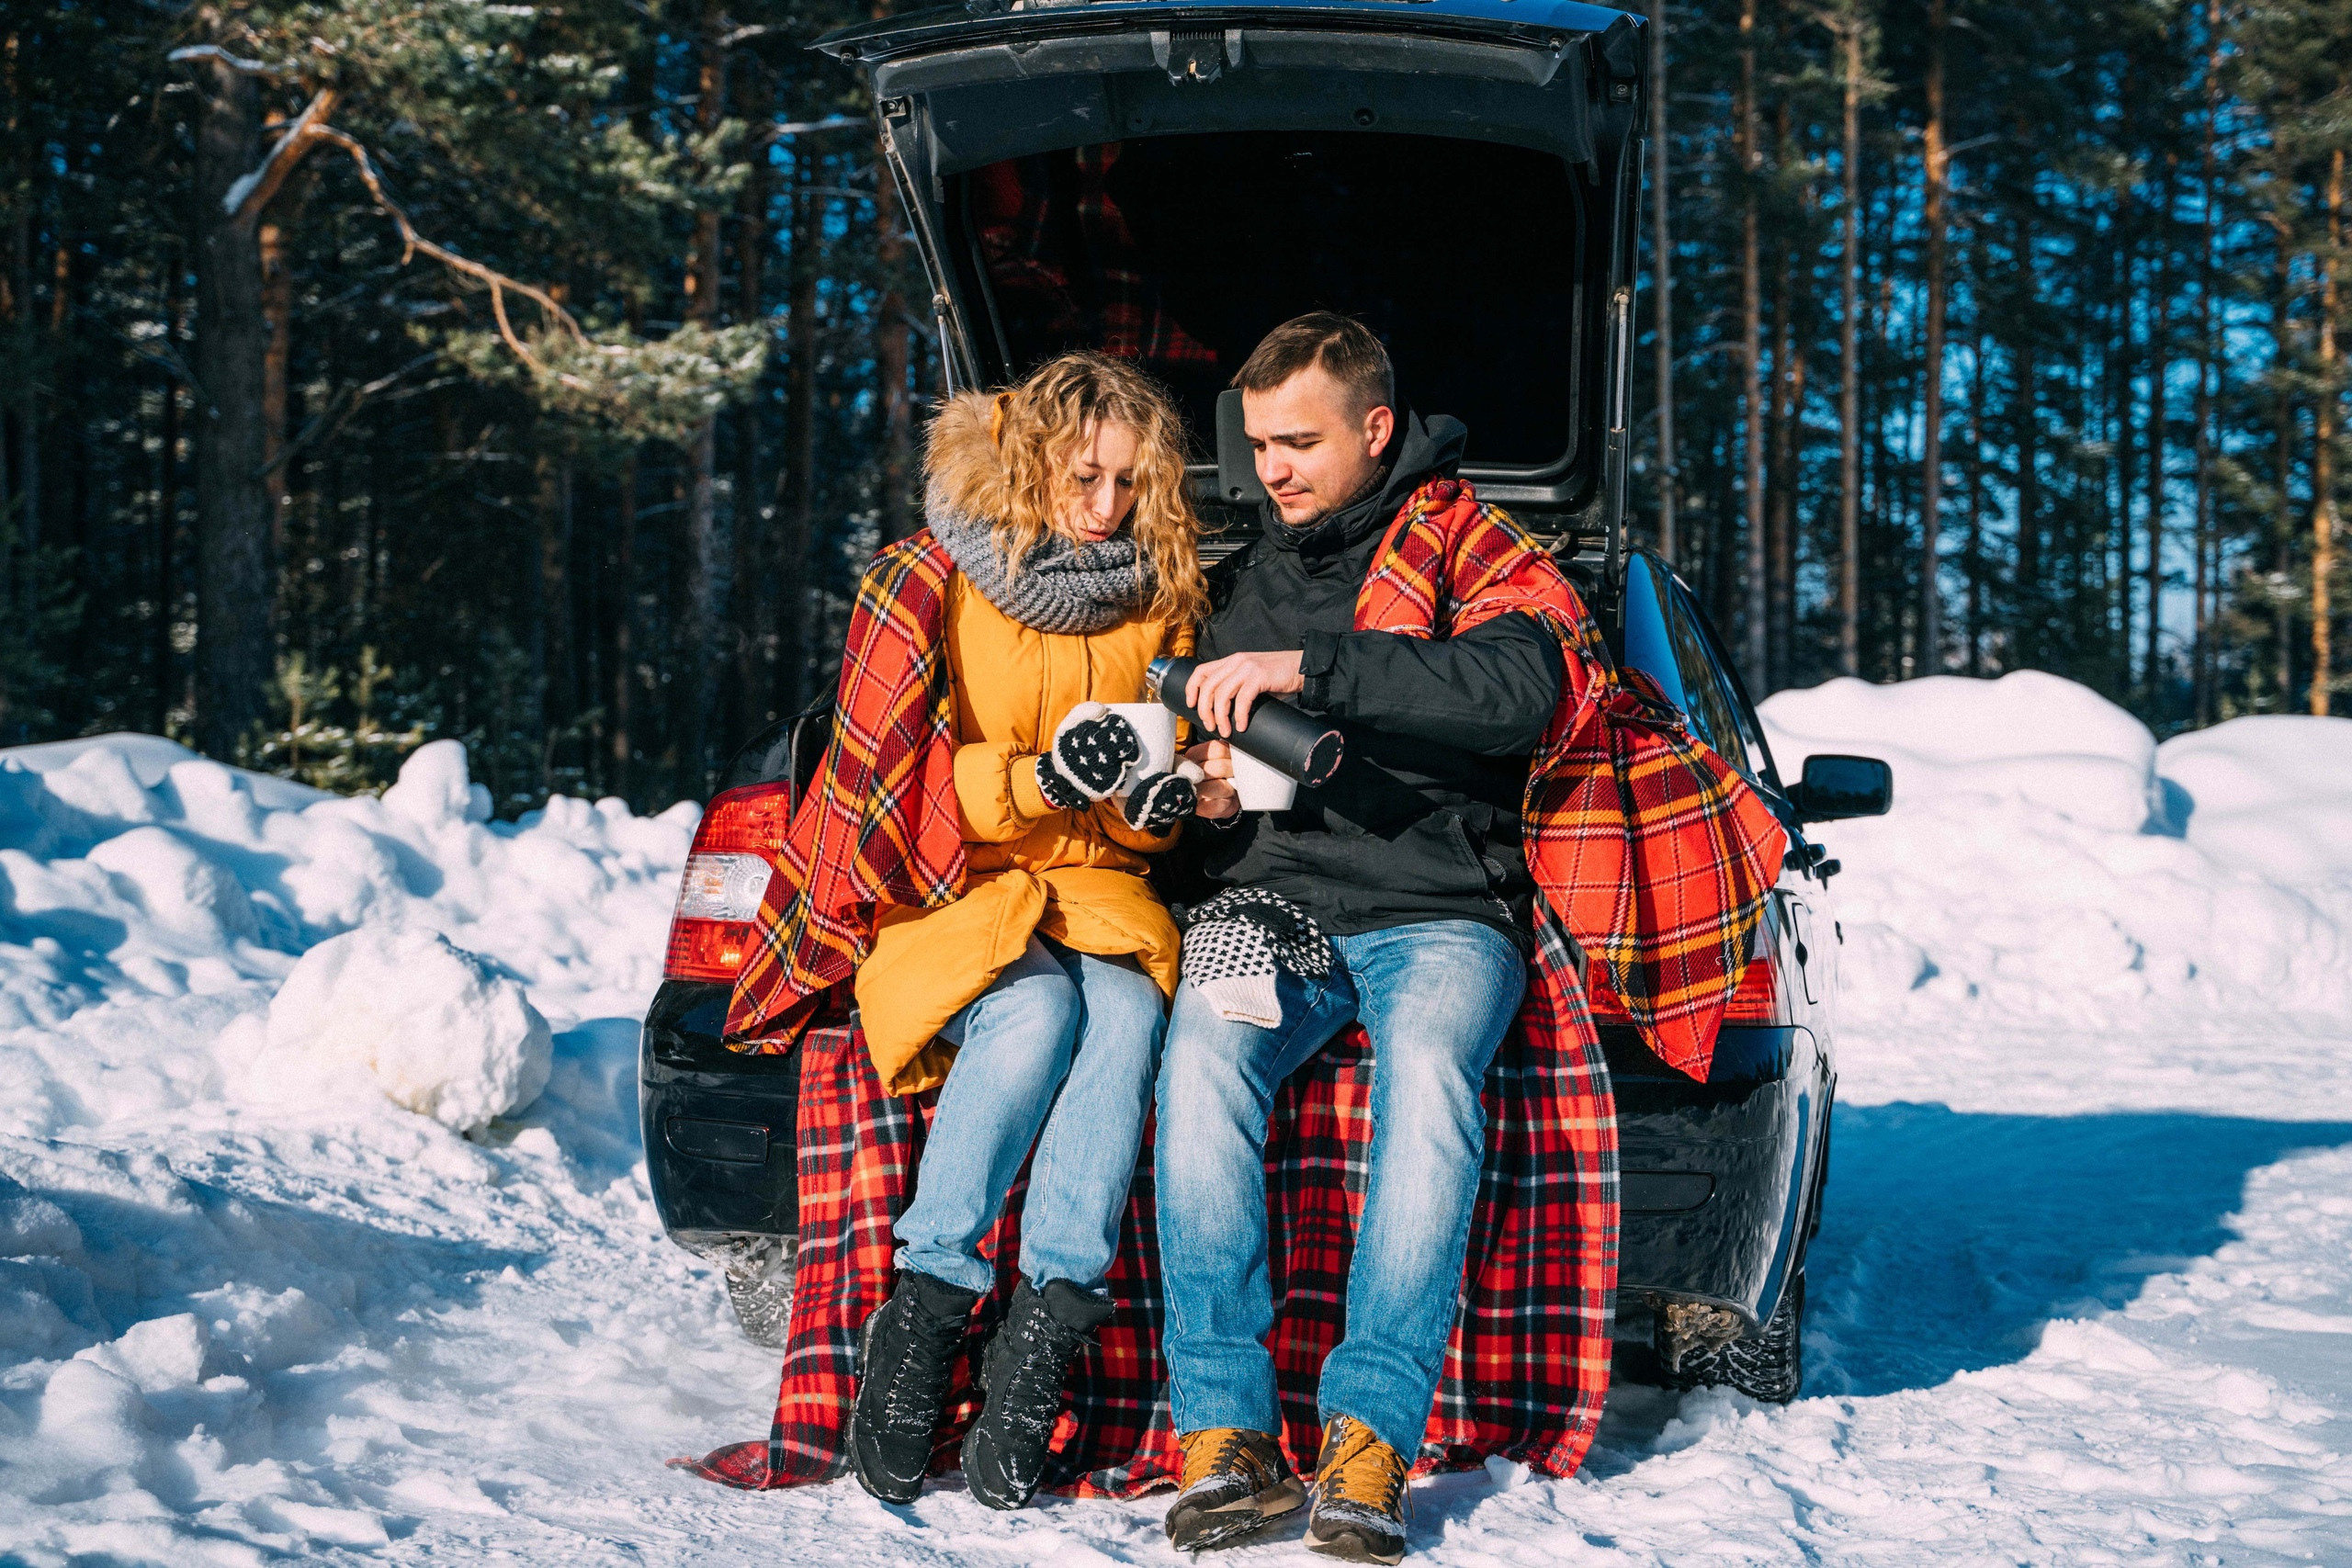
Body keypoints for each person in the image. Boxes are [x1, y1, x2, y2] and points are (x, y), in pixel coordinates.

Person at [1154, 313, 1781, 1564]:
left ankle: (1368, 1436)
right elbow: (1203, 787)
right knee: (1199, 1068)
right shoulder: (1228, 583)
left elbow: (1523, 690)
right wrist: (1207, 798)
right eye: (1259, 443)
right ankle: (1223, 1432)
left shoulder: (1469, 546)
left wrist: (1311, 666)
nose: (1270, 469)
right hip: (1266, 907)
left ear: (1374, 429)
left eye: (1299, 441)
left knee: (1432, 1081)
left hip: (1441, 912)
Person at [814, 353, 1210, 1509]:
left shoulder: (1162, 594)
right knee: (1033, 1009)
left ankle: (1042, 1336)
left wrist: (1152, 804)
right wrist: (1039, 777)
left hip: (1095, 888)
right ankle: (924, 1318)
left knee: (1129, 1007)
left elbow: (1146, 816)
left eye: (1131, 485)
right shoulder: (939, 575)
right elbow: (904, 777)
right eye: (1086, 477)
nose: (1108, 508)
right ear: (1030, 463)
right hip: (956, 883)